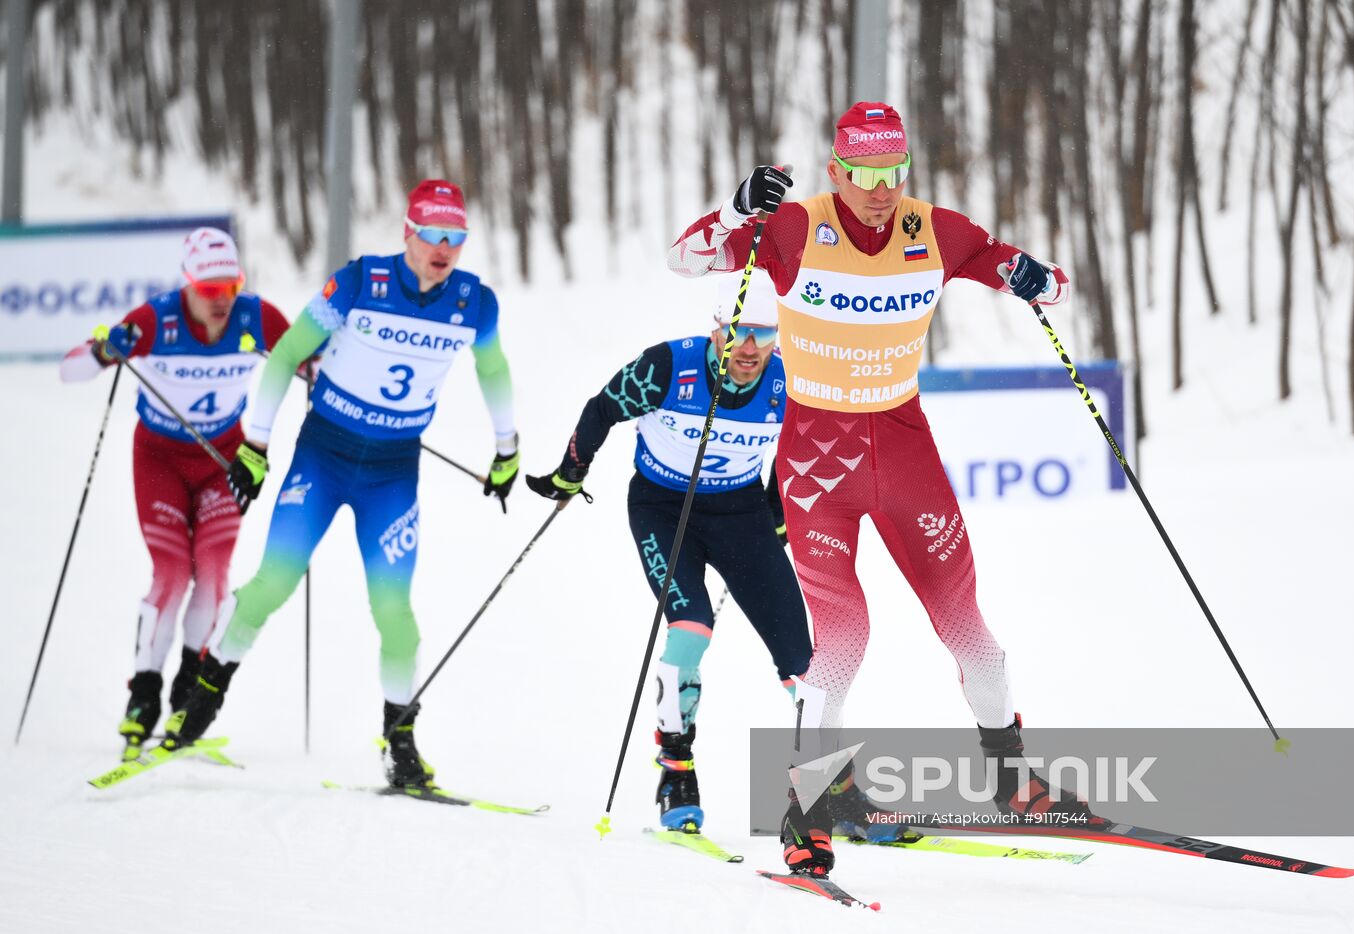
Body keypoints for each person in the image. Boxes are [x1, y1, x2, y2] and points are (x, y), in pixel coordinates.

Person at [667, 102, 1087, 876]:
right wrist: (736, 206)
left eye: (891, 173)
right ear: (836, 172)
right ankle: (807, 808)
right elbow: (686, 261)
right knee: (843, 640)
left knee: (970, 632)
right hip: (815, 464)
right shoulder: (793, 229)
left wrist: (1038, 279)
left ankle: (1010, 772)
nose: (878, 189)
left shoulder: (935, 230)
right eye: (861, 174)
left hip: (904, 454)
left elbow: (1046, 285)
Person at [162, 180, 520, 789]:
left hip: (392, 470)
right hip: (324, 456)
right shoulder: (358, 283)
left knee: (395, 612)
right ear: (407, 232)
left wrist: (507, 448)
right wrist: (255, 444)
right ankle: (202, 698)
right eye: (432, 235)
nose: (444, 248)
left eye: (455, 238)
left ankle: (400, 743)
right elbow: (285, 357)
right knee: (273, 582)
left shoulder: (473, 303)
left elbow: (493, 368)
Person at [525, 273, 812, 832]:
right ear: (715, 328)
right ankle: (676, 770)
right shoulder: (669, 367)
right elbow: (602, 407)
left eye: (763, 335)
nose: (750, 349)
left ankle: (832, 788)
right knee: (692, 627)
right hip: (663, 510)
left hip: (740, 516)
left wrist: (777, 514)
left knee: (802, 655)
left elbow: (793, 447)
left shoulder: (786, 380)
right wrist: (570, 473)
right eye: (737, 333)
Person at [59, 227, 290, 760]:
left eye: (231, 286)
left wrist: (314, 370)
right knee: (170, 572)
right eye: (209, 290)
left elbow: (311, 357)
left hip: (222, 462)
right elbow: (70, 371)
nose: (222, 301)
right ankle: (143, 695)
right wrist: (102, 351)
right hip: (160, 459)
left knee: (211, 571)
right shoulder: (154, 320)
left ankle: (188, 690)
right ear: (187, 285)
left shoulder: (258, 318)